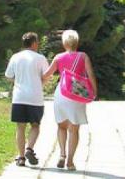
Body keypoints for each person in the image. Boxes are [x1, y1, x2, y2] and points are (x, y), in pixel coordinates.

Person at [43, 29, 98, 171]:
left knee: (61, 126)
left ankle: (62, 154)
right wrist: (94, 91)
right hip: (77, 93)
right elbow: (90, 74)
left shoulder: (58, 57)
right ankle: (70, 161)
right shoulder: (83, 56)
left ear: (64, 43)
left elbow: (47, 74)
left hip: (62, 92)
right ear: (77, 42)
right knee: (74, 129)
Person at [4, 31, 49, 167]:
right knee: (35, 125)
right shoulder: (40, 58)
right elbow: (47, 76)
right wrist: (40, 83)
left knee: (20, 127)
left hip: (19, 97)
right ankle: (29, 149)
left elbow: (8, 76)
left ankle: (21, 157)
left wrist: (18, 81)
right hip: (35, 97)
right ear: (34, 43)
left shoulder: (15, 57)